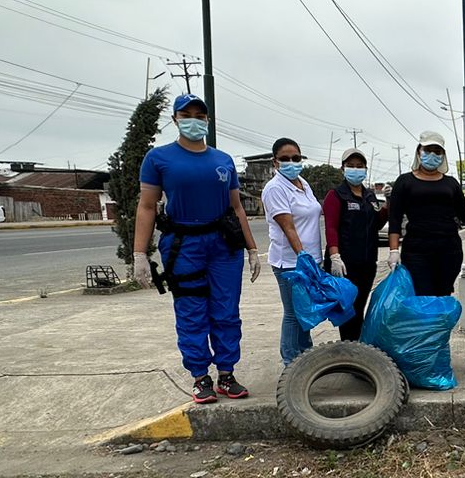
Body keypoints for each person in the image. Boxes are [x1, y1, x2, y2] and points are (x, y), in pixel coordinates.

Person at [132, 93, 260, 404]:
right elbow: (147, 206)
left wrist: (252, 249)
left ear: (208, 120)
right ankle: (200, 376)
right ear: (175, 119)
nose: (193, 120)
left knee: (227, 310)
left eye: (199, 116)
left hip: (224, 245)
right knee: (191, 311)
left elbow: (237, 208)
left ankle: (226, 374)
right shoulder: (158, 158)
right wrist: (139, 253)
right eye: (186, 115)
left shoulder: (223, 160)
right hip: (183, 245)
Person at [388, 130, 465, 296]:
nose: (432, 155)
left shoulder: (451, 183)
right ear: (419, 152)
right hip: (416, 250)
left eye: (437, 151)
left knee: (443, 295)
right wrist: (393, 250)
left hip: (449, 249)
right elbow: (394, 219)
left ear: (443, 155)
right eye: (428, 150)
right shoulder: (405, 181)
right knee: (422, 295)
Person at [262, 137, 323, 365]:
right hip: (290, 262)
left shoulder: (303, 184)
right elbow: (288, 227)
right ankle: (290, 362)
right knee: (293, 314)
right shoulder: (275, 189)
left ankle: (305, 357)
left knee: (304, 311)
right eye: (285, 159)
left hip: (310, 260)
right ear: (275, 162)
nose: (291, 163)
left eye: (296, 158)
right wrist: (303, 257)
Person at [321, 148, 387, 342]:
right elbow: (331, 228)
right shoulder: (336, 195)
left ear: (365, 169)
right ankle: (349, 348)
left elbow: (376, 224)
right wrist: (334, 256)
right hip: (344, 264)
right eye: (351, 166)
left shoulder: (369, 196)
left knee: (359, 308)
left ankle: (356, 348)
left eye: (359, 166)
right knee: (347, 311)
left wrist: (388, 205)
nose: (355, 169)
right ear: (343, 168)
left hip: (367, 263)